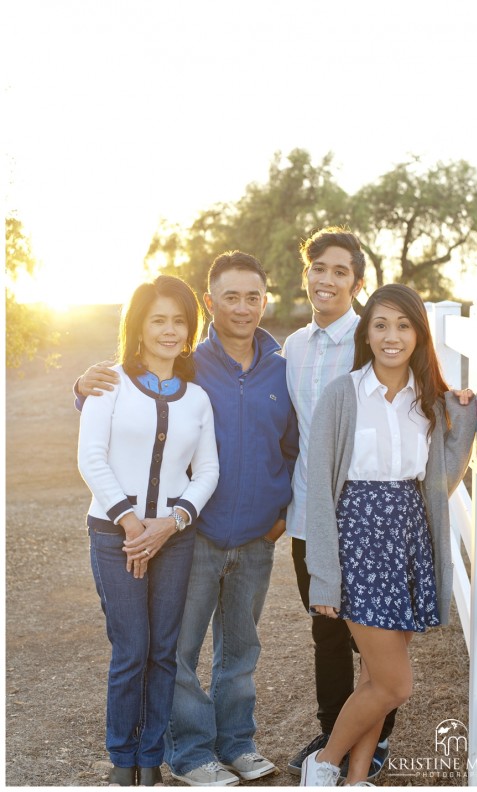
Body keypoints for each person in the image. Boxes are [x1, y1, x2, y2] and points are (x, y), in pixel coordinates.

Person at [76, 252, 299, 787]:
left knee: (229, 650)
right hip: (159, 534)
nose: (243, 308)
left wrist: (275, 518)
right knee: (159, 651)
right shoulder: (156, 371)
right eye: (230, 296)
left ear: (265, 300)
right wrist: (80, 388)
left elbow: (272, 451)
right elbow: (106, 435)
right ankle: (164, 756)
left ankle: (210, 748)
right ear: (211, 302)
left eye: (253, 297)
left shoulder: (270, 370)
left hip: (223, 536)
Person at [299, 283, 477, 786]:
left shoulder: (429, 402)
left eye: (403, 325)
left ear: (419, 334)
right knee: (396, 684)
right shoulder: (344, 394)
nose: (391, 336)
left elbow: (441, 478)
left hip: (406, 538)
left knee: (375, 678)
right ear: (367, 333)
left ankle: (357, 779)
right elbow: (319, 492)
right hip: (357, 540)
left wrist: (462, 412)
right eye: (380, 324)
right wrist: (324, 578)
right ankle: (325, 762)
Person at [77, 276, 219, 786]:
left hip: (173, 540)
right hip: (115, 537)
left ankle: (151, 757)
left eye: (178, 321)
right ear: (138, 326)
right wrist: (132, 523)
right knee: (131, 648)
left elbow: (207, 472)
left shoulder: (197, 399)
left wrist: (172, 521)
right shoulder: (107, 384)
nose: (168, 330)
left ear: (189, 330)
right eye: (157, 319)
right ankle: (122, 758)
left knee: (164, 650)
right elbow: (91, 457)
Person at [283, 227, 395, 782]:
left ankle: (373, 744)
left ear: (357, 281)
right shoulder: (295, 347)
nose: (327, 280)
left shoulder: (370, 338)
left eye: (340, 271)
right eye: (318, 269)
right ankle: (334, 731)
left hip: (365, 518)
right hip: (310, 516)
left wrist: (460, 400)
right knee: (325, 632)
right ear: (307, 274)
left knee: (373, 635)